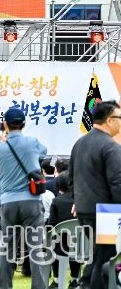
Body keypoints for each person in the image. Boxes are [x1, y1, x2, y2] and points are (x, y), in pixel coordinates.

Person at [0, 107, 49, 289]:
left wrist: (3, 142)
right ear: (24, 123)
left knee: (8, 247)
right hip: (31, 200)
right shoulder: (32, 142)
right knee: (36, 247)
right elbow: (43, 153)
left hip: (9, 202)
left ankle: (5, 286)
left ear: (5, 124)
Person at [69, 100, 121, 289]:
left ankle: (84, 283)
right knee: (104, 258)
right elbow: (117, 183)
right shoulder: (110, 146)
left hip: (84, 210)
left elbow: (72, 177)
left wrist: (77, 201)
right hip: (106, 213)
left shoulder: (79, 143)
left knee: (98, 255)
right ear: (109, 120)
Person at [46, 171, 81, 288]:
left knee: (54, 245)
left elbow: (51, 225)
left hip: (61, 246)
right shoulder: (82, 200)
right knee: (76, 244)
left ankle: (57, 280)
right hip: (81, 245)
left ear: (59, 185)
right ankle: (75, 278)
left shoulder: (57, 201)